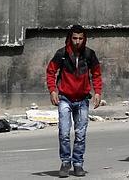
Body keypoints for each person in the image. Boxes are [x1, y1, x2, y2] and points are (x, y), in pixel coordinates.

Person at [46, 25, 102, 178]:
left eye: (80, 38)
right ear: (70, 38)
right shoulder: (62, 54)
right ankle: (65, 162)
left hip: (83, 99)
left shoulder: (90, 54)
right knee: (64, 133)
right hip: (64, 98)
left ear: (84, 39)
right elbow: (51, 71)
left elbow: (96, 74)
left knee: (80, 134)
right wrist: (53, 90)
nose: (77, 41)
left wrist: (97, 92)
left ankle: (78, 164)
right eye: (75, 38)